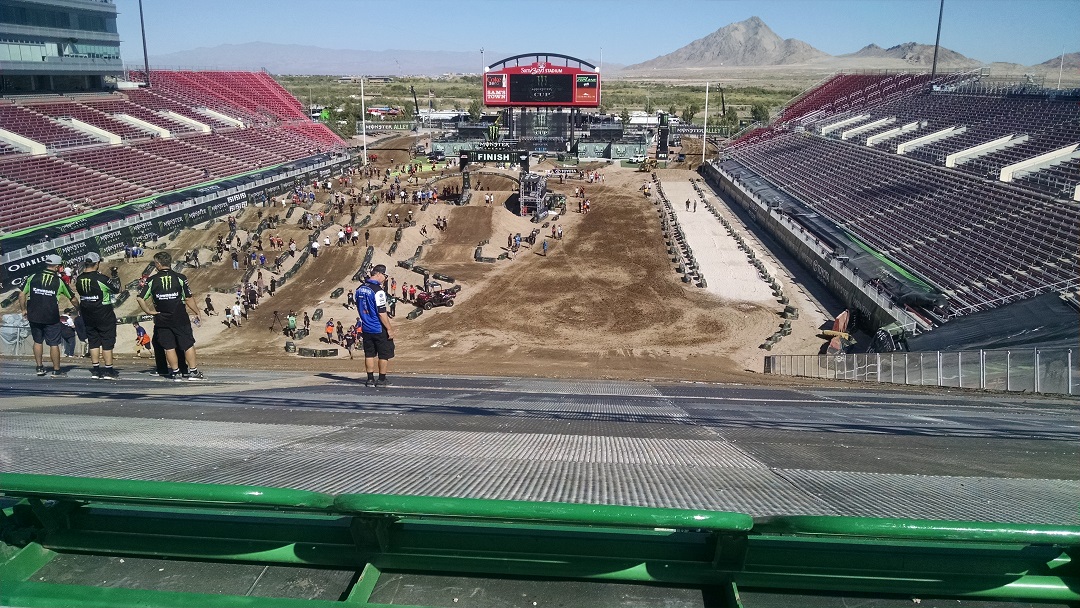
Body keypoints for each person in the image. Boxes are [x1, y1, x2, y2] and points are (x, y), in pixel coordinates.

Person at [137, 251, 204, 381]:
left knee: (169, 347)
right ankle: (193, 372)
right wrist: (197, 311)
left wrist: (148, 311)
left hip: (162, 317)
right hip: (180, 316)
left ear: (158, 264)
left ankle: (176, 372)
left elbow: (140, 298)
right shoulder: (180, 277)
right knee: (188, 344)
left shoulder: (151, 280)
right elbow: (188, 298)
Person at [19, 254, 79, 377]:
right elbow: (72, 298)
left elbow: (21, 294)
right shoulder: (59, 281)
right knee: (54, 343)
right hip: (51, 316)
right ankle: (56, 371)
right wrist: (78, 308)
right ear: (57, 267)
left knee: (37, 341)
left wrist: (23, 309)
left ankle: (39, 368)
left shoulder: (33, 277)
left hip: (34, 314)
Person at [75, 252, 122, 380]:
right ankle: (109, 370)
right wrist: (115, 275)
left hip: (87, 313)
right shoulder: (101, 278)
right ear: (97, 264)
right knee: (107, 341)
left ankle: (96, 370)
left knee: (93, 341)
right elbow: (117, 288)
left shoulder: (78, 279)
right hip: (103, 313)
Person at [355, 264, 395, 387]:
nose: (385, 278)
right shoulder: (378, 291)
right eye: (385, 275)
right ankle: (382, 379)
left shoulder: (359, 288)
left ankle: (370, 379)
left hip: (366, 327)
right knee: (383, 354)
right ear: (378, 274)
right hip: (378, 327)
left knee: (369, 353)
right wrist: (389, 328)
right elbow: (382, 313)